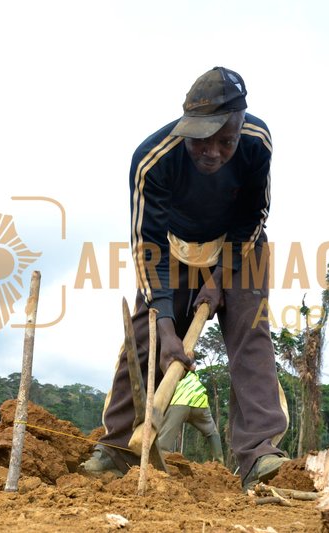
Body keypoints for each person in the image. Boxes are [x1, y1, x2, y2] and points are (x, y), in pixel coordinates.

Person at [83, 66, 290, 491]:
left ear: (240, 126)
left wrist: (220, 278)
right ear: (186, 125)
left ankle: (260, 454)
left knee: (250, 333)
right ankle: (118, 447)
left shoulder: (257, 142)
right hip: (171, 248)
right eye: (201, 140)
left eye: (225, 141)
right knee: (145, 337)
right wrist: (165, 324)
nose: (212, 152)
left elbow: (254, 215)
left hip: (240, 246)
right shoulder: (154, 159)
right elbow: (147, 245)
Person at [157, 371, 223, 464]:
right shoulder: (192, 372)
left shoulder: (169, 370)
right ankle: (219, 462)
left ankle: (160, 462)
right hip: (200, 401)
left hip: (181, 400)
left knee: (165, 439)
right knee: (212, 432)